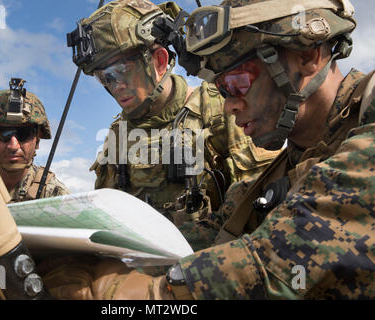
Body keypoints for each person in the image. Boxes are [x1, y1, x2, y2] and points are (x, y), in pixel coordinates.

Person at [39, 0, 374, 299]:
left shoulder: (367, 116)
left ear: (308, 55)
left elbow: (281, 254)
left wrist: (152, 292)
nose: (229, 106)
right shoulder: (275, 178)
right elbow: (213, 233)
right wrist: (85, 259)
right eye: (221, 89)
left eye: (237, 84)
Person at [68, 0, 279, 230]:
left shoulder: (220, 111)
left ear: (159, 61)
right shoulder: (118, 136)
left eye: (120, 71)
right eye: (105, 78)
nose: (115, 86)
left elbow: (263, 213)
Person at [0, 78, 70, 202]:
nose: (13, 146)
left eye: (24, 134)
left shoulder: (54, 195)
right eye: (2, 134)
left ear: (37, 140)